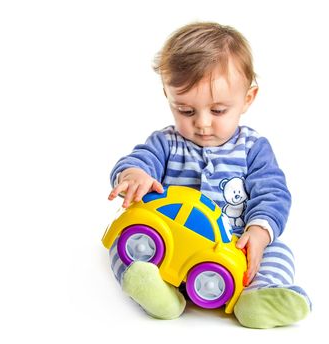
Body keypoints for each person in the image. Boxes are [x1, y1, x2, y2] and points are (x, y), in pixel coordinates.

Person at [107, 22, 311, 328]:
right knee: (122, 244)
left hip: (232, 244)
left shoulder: (252, 148)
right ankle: (157, 292)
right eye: (186, 111)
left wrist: (259, 231)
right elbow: (140, 159)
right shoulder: (166, 142)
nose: (202, 124)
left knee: (277, 250)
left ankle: (258, 297)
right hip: (171, 237)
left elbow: (273, 193)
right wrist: (134, 174)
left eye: (217, 111)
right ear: (168, 96)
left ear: (248, 98)